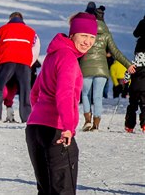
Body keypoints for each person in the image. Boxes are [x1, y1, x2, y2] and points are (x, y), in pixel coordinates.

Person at [26, 12, 97, 195]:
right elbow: (64, 94)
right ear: (72, 34)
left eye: (92, 37)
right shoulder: (68, 58)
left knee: (46, 189)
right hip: (57, 131)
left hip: (35, 129)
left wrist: (41, 114)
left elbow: (34, 93)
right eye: (84, 35)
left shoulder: (52, 55)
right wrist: (67, 127)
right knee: (62, 190)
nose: (88, 41)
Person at [79, 2, 135, 131]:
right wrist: (128, 64)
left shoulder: (86, 32)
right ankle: (96, 124)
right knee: (98, 96)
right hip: (102, 69)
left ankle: (87, 120)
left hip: (86, 67)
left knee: (86, 94)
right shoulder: (106, 34)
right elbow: (116, 52)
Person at [0, 12, 40, 122]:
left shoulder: (1, 30)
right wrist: (29, 63)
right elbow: (35, 49)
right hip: (24, 63)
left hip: (5, 61)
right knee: (25, 91)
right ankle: (27, 118)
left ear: (10, 19)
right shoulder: (31, 32)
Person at [124, 52, 145, 133]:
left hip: (134, 89)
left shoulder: (133, 67)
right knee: (144, 106)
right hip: (144, 89)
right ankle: (144, 124)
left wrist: (125, 85)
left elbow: (126, 77)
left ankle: (129, 125)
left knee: (132, 107)